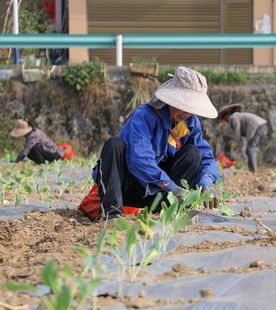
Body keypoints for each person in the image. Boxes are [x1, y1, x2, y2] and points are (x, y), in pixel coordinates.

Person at [95, 66, 221, 218]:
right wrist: (171, 187)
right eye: (183, 105)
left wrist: (207, 182)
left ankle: (165, 210)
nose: (187, 112)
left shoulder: (190, 123)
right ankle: (112, 214)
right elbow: (140, 160)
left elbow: (206, 156)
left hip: (158, 194)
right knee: (114, 145)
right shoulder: (144, 117)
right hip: (129, 186)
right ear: (171, 100)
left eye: (191, 107)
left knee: (192, 153)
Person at [218, 104, 268, 173]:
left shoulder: (233, 118)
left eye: (224, 120)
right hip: (262, 126)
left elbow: (237, 132)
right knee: (251, 149)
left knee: (250, 149)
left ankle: (253, 171)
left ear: (225, 117)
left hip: (257, 127)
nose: (226, 122)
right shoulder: (237, 116)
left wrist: (236, 146)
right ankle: (253, 169)